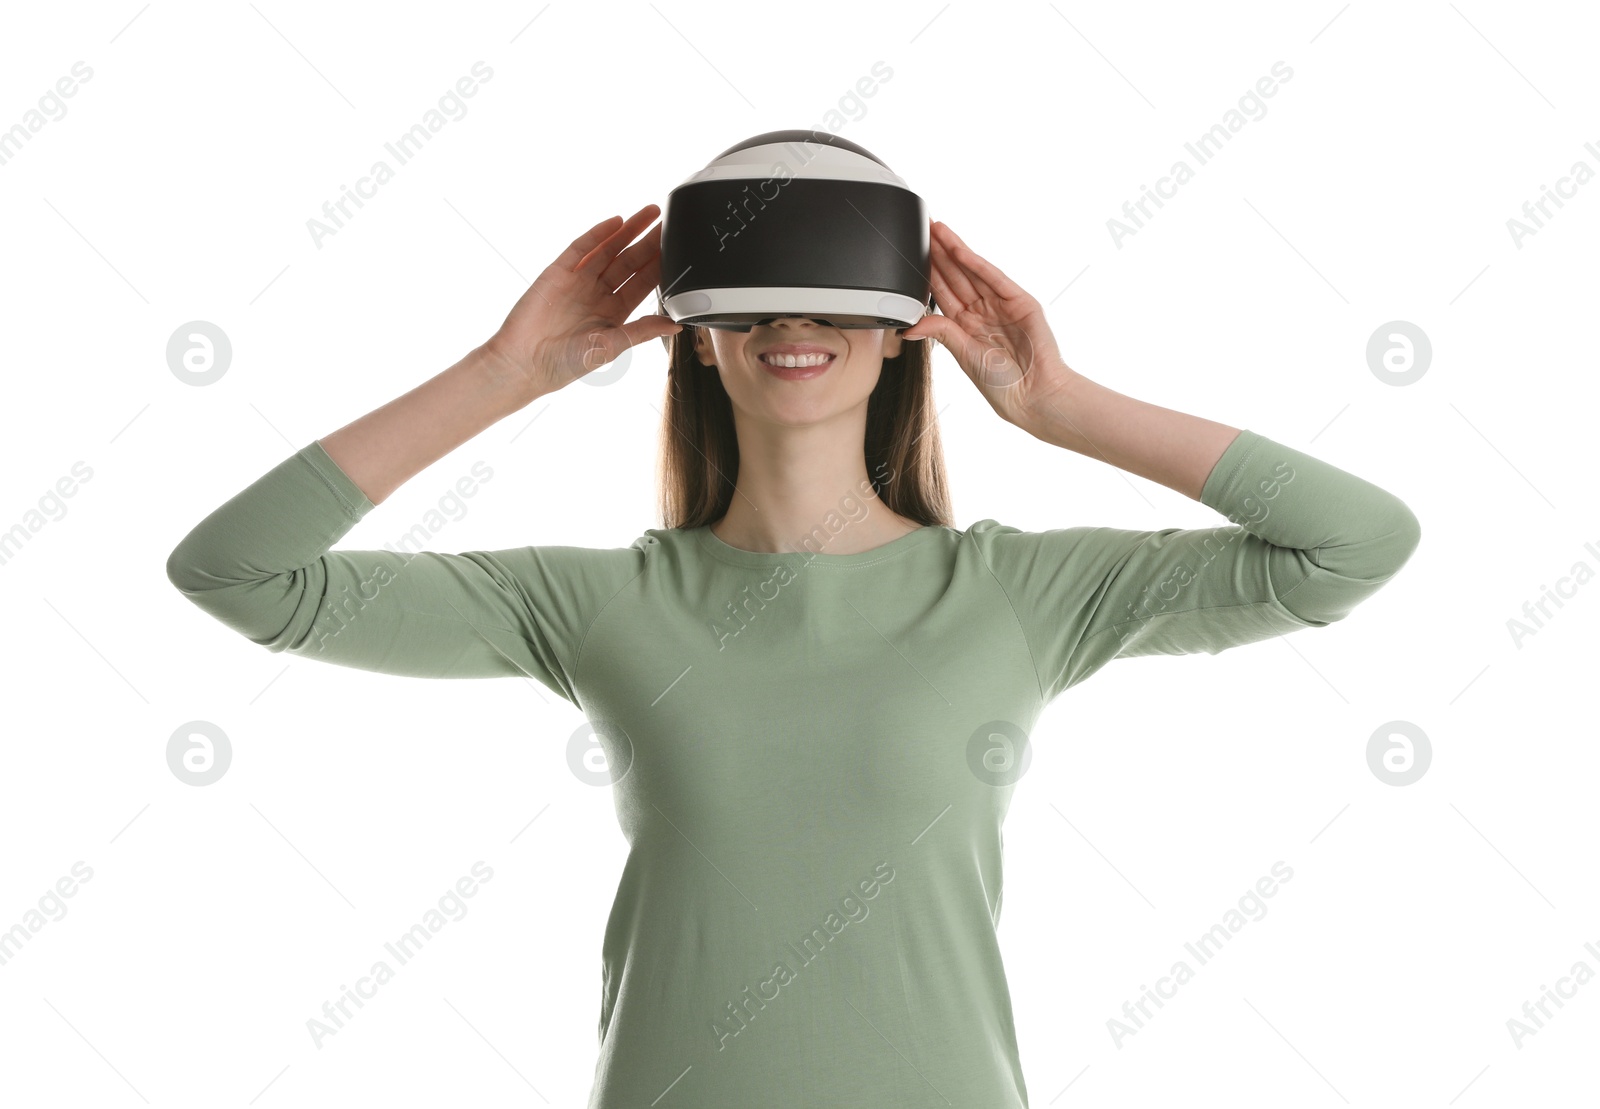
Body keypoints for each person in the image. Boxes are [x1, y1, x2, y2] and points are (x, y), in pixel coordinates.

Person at [166, 203, 1421, 1107]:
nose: (793, 324)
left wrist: (1058, 405)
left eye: (832, 299)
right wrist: (504, 375)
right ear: (698, 335)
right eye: (754, 303)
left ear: (898, 333)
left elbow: (1355, 545)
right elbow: (237, 573)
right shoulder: (600, 601)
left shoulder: (1019, 592)